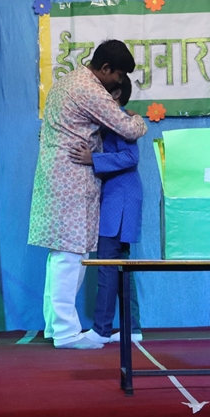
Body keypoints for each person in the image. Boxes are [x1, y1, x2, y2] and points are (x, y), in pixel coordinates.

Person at [28, 40, 148, 350]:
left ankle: (55, 327)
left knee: (59, 255)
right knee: (71, 255)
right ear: (105, 68)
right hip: (72, 178)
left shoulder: (67, 80)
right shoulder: (89, 88)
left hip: (56, 174)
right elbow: (128, 129)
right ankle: (66, 332)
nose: (119, 82)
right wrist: (138, 119)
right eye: (118, 75)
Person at [68, 77, 144, 345]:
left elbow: (131, 157)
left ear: (116, 93)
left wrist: (93, 159)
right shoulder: (113, 120)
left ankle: (101, 329)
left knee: (108, 263)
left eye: (101, 93)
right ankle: (132, 328)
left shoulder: (119, 120)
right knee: (121, 264)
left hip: (119, 198)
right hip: (119, 196)